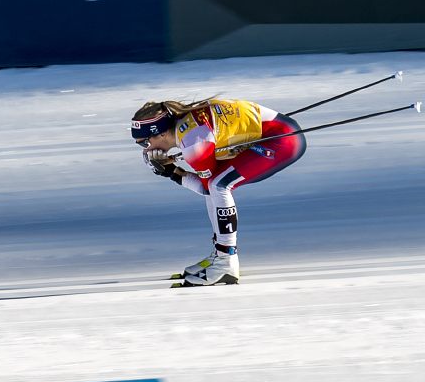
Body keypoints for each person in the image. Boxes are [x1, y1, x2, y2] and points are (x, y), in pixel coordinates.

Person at [130, 95, 308, 285]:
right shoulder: (185, 128)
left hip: (283, 141)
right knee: (217, 183)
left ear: (162, 134)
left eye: (144, 143)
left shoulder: (194, 145)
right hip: (278, 130)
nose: (145, 150)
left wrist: (172, 173)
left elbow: (206, 188)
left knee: (218, 185)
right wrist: (172, 171)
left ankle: (226, 261)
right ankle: (221, 255)